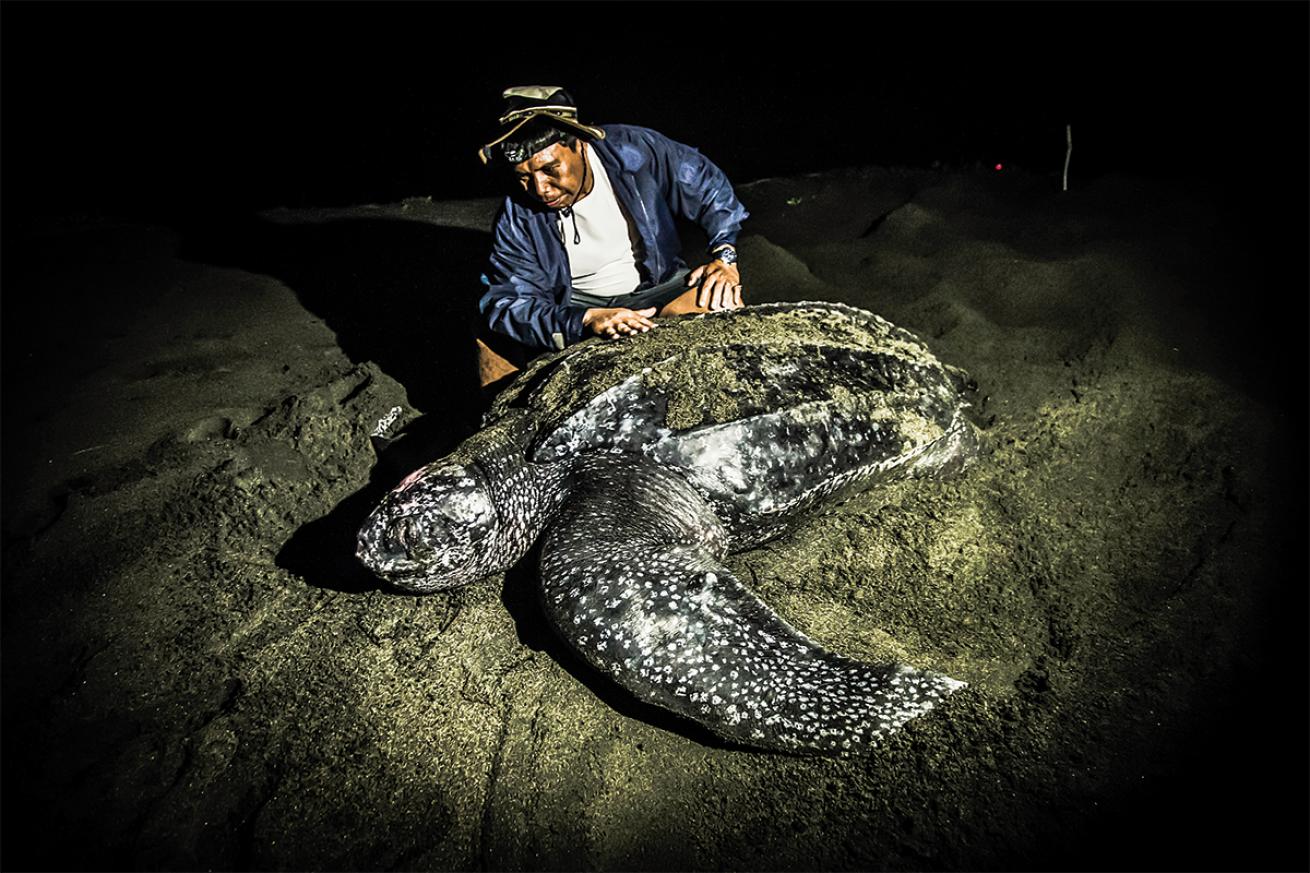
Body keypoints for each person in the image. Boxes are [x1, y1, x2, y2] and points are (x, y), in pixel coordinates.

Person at [475, 85, 750, 387]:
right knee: (492, 339)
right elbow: (508, 302)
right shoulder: (517, 215)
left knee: (722, 301)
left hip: (655, 285)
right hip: (575, 305)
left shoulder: (633, 150)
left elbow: (707, 185)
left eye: (551, 169)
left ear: (580, 143)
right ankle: (493, 422)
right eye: (524, 177)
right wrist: (585, 320)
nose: (540, 189)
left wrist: (725, 255)